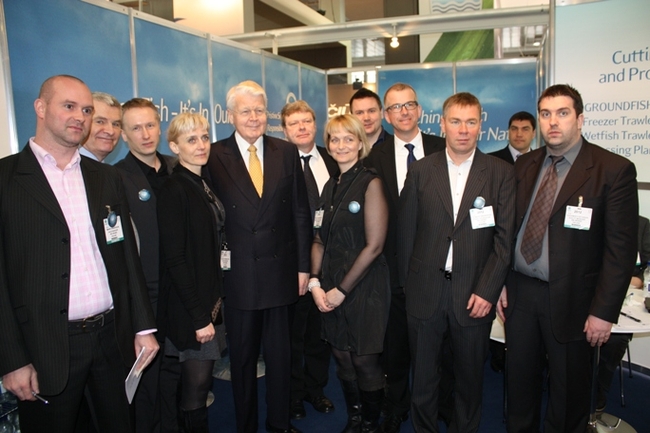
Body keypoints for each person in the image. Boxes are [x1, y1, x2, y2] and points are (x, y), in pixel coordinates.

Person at [0, 74, 159, 432]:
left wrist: (142, 327)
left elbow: (126, 259)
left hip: (111, 339)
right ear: (40, 108)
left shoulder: (105, 178)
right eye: (69, 106)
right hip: (45, 349)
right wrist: (12, 359)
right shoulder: (6, 179)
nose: (80, 117)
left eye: (86, 110)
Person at [497, 84, 638, 433]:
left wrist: (603, 312)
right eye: (546, 114)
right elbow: (506, 230)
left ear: (580, 118)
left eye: (562, 113)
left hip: (575, 300)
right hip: (520, 294)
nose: (553, 122)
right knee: (519, 387)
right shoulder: (525, 165)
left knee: (568, 393)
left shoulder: (612, 169)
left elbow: (620, 251)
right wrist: (499, 283)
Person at [398, 92, 515, 433]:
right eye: (456, 121)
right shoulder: (421, 171)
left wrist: (488, 291)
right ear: (442, 124)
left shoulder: (501, 173)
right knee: (423, 381)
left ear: (481, 126)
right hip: (425, 292)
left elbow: (504, 240)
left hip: (474, 295)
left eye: (471, 122)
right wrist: (409, 288)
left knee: (469, 381)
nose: (463, 129)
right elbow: (405, 235)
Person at [207, 80, 312, 433]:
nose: (253, 118)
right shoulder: (213, 156)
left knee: (280, 358)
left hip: (281, 273)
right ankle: (247, 426)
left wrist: (303, 268)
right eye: (245, 111)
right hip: (239, 277)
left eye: (259, 111)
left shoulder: (286, 151)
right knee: (242, 360)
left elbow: (300, 213)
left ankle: (279, 424)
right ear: (230, 115)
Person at [364, 82, 445, 433]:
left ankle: (438, 405)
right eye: (396, 107)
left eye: (410, 104)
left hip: (439, 268)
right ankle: (396, 407)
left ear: (420, 109)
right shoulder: (374, 158)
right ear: (387, 115)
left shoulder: (444, 148)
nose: (404, 112)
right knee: (395, 349)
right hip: (393, 270)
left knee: (438, 348)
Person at [310, 114, 390, 433]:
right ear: (328, 145)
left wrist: (341, 290)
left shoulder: (371, 183)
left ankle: (370, 424)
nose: (341, 145)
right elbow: (318, 239)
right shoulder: (330, 186)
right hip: (329, 286)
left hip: (365, 288)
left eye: (348, 138)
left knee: (363, 360)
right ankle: (355, 419)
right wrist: (315, 283)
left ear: (360, 143)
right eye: (335, 139)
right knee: (342, 356)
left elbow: (375, 245)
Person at [156, 112, 226, 433]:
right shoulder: (174, 188)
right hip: (191, 310)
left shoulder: (201, 182)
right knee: (195, 390)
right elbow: (175, 260)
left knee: (200, 386)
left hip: (209, 301)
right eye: (191, 140)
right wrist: (199, 318)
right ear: (174, 146)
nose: (201, 145)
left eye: (205, 137)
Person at [114, 97, 177, 433]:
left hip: (179, 292)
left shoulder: (177, 168)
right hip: (146, 297)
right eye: (136, 128)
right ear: (124, 135)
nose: (146, 134)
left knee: (176, 378)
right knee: (146, 385)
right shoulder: (115, 178)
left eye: (151, 125)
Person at [281, 101, 338, 420]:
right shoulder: (278, 163)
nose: (301, 127)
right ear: (284, 130)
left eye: (306, 121)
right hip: (292, 266)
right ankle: (292, 396)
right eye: (294, 123)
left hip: (329, 263)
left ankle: (316, 389)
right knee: (292, 337)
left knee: (320, 334)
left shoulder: (333, 158)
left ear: (316, 125)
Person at [595, 214, 649, 412]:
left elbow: (643, 272)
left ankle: (597, 395)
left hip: (624, 299)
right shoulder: (591, 217)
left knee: (615, 340)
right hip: (585, 295)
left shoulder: (641, 225)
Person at [79, 91, 122, 162]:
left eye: (115, 124)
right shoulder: (68, 167)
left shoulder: (108, 169)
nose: (110, 131)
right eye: (100, 122)